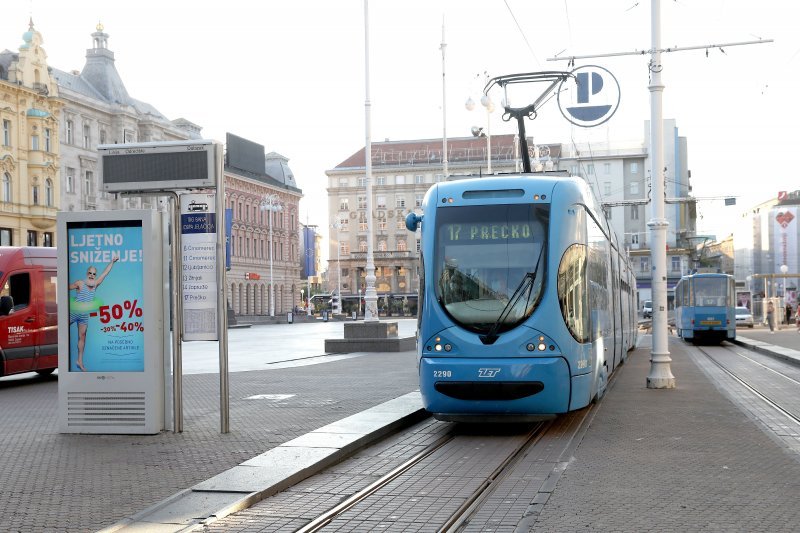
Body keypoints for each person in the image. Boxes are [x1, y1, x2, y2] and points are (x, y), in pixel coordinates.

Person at [68, 255, 119, 371]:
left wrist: (112, 262)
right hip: (75, 312)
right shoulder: (80, 283)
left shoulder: (96, 284)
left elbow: (105, 273)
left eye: (94, 274)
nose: (91, 275)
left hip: (84, 315)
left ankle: (79, 361)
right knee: (63, 328)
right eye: (90, 273)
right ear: (87, 274)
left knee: (82, 337)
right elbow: (65, 287)